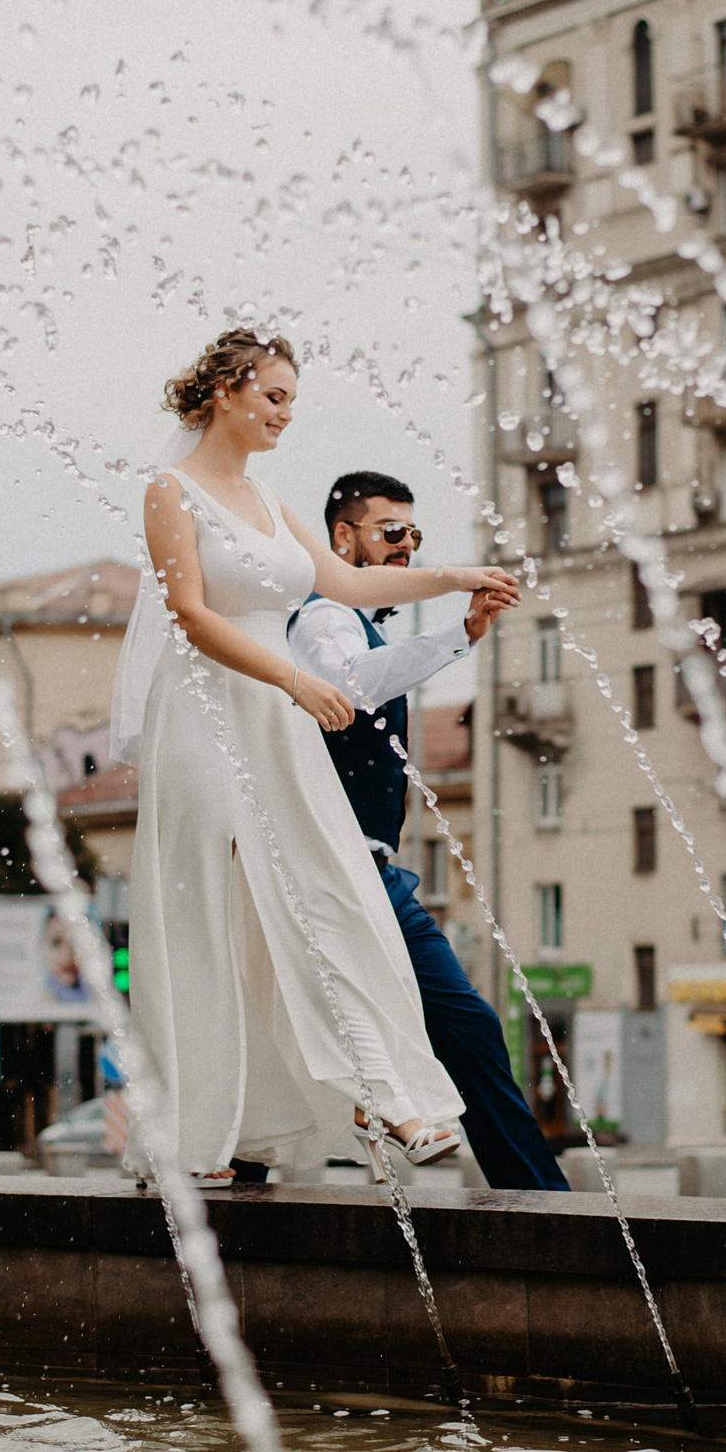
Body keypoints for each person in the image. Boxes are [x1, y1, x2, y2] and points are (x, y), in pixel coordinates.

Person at [116, 329, 523, 1188]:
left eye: (292, 401)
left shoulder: (267, 500)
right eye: (273, 397)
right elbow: (189, 614)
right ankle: (199, 1132)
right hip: (203, 711)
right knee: (207, 919)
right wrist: (295, 680)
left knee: (331, 892)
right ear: (225, 391)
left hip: (277, 712)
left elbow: (342, 584)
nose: (285, 415)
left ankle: (382, 1092)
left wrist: (451, 578)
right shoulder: (171, 491)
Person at [277, 471, 569, 1191]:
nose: (407, 546)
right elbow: (352, 685)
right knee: (292, 1034)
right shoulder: (322, 618)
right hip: (332, 871)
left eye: (415, 534)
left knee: (466, 1027)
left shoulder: (360, 620)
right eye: (391, 532)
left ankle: (538, 1195)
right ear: (344, 538)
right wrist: (460, 631)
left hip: (375, 875)